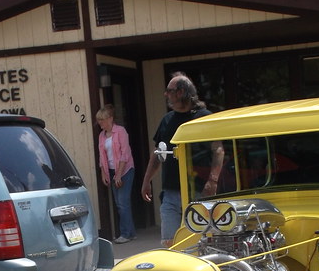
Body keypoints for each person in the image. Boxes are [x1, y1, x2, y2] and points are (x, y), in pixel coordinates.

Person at [141, 72, 223, 247]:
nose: (166, 95)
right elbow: (157, 153)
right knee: (170, 244)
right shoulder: (167, 120)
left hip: (199, 191)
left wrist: (213, 180)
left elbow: (218, 150)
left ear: (181, 92)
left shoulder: (204, 117)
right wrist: (147, 180)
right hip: (170, 193)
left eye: (169, 91)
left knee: (202, 242)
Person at [95, 104, 136, 244]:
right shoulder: (102, 136)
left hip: (125, 170)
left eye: (102, 119)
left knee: (123, 202)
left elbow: (125, 154)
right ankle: (130, 232)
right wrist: (103, 173)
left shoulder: (121, 131)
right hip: (111, 171)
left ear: (110, 119)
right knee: (119, 203)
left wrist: (119, 174)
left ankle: (126, 233)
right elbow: (102, 156)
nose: (100, 122)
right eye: (99, 120)